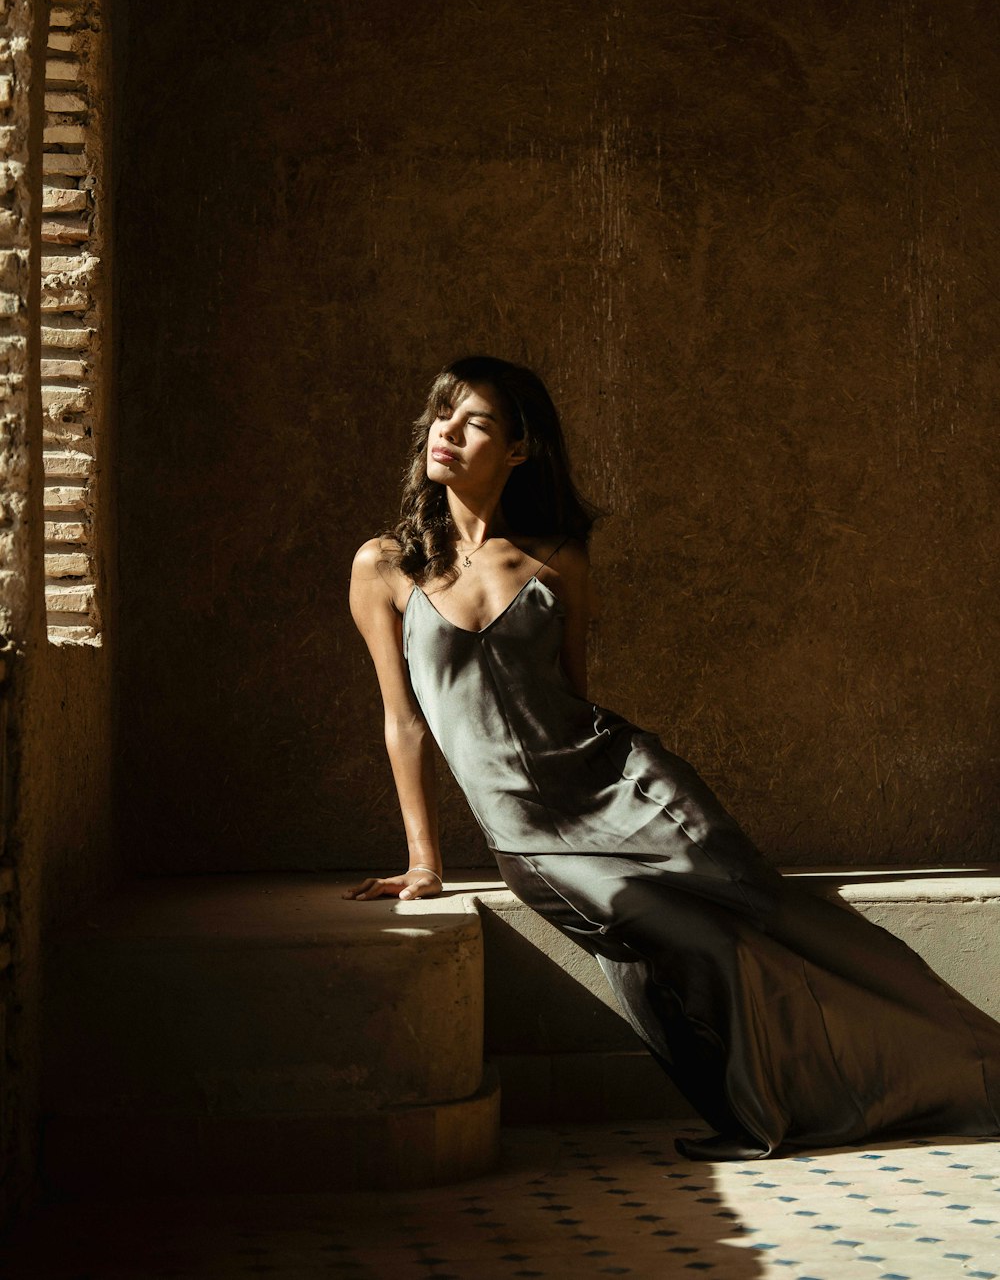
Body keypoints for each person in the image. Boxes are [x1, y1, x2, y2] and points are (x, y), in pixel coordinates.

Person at [346, 354, 1000, 1159]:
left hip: (631, 786)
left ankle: (972, 1066)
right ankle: (776, 1110)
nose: (446, 431)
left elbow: (573, 695)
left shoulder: (559, 558)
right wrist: (425, 861)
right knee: (703, 947)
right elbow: (403, 722)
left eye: (475, 420)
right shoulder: (385, 567)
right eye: (442, 413)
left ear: (518, 449)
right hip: (532, 834)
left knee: (776, 914)